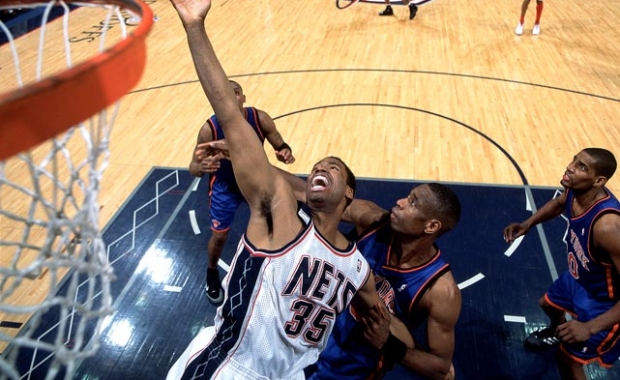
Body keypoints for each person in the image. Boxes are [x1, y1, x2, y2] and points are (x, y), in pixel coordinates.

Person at [167, 1, 412, 379]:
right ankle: (210, 271)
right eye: (317, 165)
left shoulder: (357, 268)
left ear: (348, 194)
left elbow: (396, 332)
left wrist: (391, 343)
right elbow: (229, 113)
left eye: (332, 168)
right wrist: (195, 26)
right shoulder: (279, 215)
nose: (320, 167)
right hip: (230, 367)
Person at [303, 183, 462, 380]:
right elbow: (307, 194)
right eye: (407, 196)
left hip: (349, 370)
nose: (400, 202)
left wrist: (389, 345)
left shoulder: (440, 290)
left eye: (412, 203)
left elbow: (441, 369)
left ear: (431, 226)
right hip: (306, 337)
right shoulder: (376, 221)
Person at [504, 148, 620, 380]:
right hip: (581, 279)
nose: (570, 167)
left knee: (568, 360)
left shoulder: (607, 227)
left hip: (604, 304)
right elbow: (558, 204)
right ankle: (557, 330)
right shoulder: (574, 190)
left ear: (599, 181)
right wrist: (528, 224)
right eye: (574, 161)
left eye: (582, 167)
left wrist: (589, 327)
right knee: (547, 304)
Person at [189, 79, 295, 304]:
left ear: (243, 97)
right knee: (219, 237)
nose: (231, 97)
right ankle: (211, 273)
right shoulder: (209, 129)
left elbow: (281, 145)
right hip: (225, 188)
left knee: (279, 226)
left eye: (235, 92)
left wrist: (285, 152)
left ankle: (279, 270)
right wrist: (201, 167)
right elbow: (194, 168)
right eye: (225, 93)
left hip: (255, 181)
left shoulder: (260, 118)